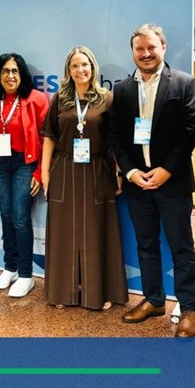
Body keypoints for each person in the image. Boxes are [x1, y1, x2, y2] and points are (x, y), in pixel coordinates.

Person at [109, 22, 195, 337]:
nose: (146, 53)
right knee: (146, 245)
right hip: (138, 184)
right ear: (133, 52)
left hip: (172, 182)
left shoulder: (184, 83)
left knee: (181, 247)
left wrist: (166, 170)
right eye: (140, 49)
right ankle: (153, 300)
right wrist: (130, 172)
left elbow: (189, 131)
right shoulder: (122, 89)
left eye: (151, 47)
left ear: (163, 47)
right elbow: (116, 136)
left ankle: (189, 308)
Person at [41, 46, 128, 311]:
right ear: (68, 70)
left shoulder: (106, 99)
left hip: (97, 169)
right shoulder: (60, 99)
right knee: (63, 232)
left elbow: (115, 140)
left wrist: (119, 172)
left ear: (93, 67)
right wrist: (45, 173)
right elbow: (49, 137)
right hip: (64, 169)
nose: (80, 70)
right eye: (75, 66)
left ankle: (98, 292)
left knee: (97, 230)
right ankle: (62, 292)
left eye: (85, 65)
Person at [0, 53, 49, 297]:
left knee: (20, 217)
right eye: (5, 71)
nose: (10, 75)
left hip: (25, 163)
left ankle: (25, 274)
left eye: (15, 71)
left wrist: (39, 171)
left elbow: (46, 138)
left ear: (22, 74)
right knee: (6, 213)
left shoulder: (37, 99)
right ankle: (9, 267)